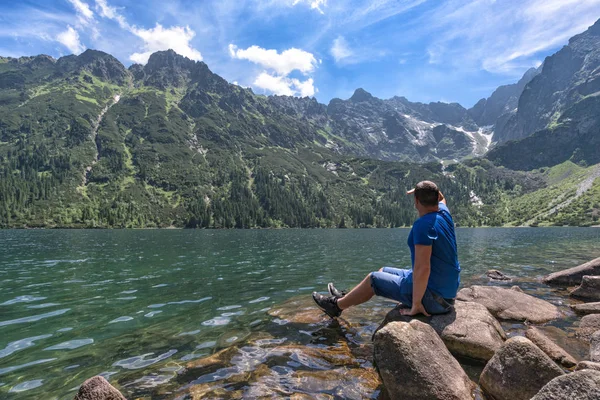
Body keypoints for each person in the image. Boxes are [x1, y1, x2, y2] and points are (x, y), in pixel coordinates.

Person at [312, 180, 460, 318]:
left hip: (435, 299)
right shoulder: (443, 213)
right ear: (434, 198)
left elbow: (423, 268)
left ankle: (335, 306)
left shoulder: (423, 225)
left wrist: (416, 305)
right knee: (383, 271)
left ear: (416, 200)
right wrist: (426, 189)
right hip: (446, 293)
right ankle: (346, 297)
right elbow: (441, 198)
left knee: (374, 279)